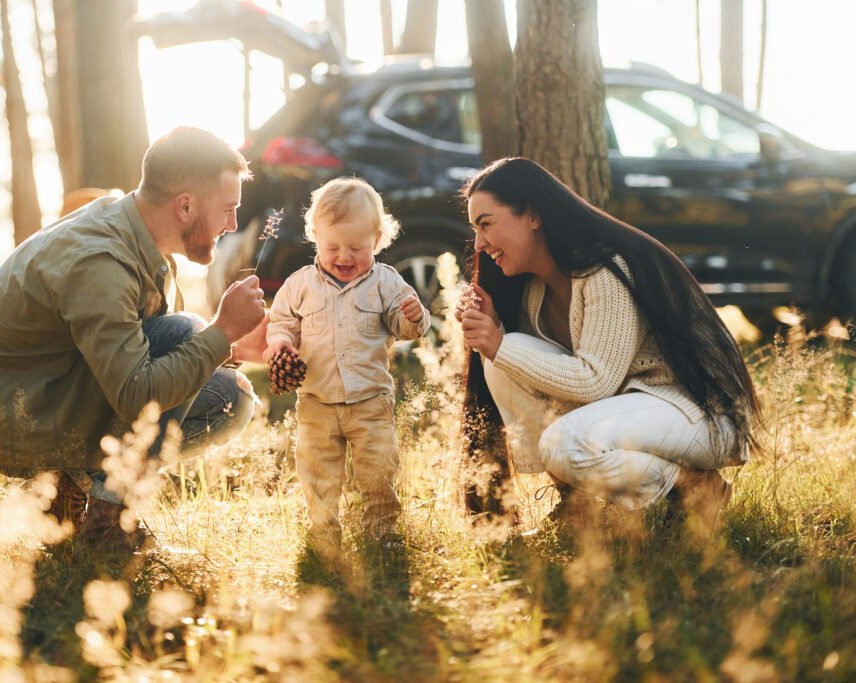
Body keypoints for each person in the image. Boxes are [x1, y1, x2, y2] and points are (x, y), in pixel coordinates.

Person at [0, 126, 269, 546]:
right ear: (185, 206)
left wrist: (231, 345)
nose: (232, 223)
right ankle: (105, 523)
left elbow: (143, 348)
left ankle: (68, 485)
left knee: (226, 388)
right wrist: (219, 333)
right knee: (203, 356)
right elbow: (137, 394)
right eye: (227, 209)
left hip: (55, 387)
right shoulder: (100, 261)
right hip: (17, 418)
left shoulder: (132, 227)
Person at [456, 157, 760, 534]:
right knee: (501, 362)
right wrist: (496, 331)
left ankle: (695, 488)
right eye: (475, 230)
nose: (479, 244)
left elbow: (596, 382)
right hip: (636, 407)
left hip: (699, 411)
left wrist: (499, 344)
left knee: (563, 442)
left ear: (533, 216)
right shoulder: (533, 294)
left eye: (486, 224)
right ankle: (577, 504)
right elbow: (546, 377)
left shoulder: (603, 270)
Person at [265, 177, 430, 553]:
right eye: (332, 246)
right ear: (315, 238)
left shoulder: (386, 283)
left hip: (370, 401)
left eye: (356, 247)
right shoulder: (299, 284)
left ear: (377, 239)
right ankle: (324, 531)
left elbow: (404, 328)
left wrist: (414, 316)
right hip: (316, 401)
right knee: (318, 472)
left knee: (377, 471)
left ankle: (382, 531)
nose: (343, 256)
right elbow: (282, 322)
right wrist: (281, 344)